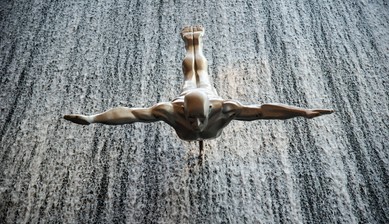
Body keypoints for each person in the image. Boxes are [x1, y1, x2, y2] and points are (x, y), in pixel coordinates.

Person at [64, 25, 333, 155]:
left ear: (210, 109)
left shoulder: (226, 108)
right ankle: (191, 43)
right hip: (189, 95)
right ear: (182, 109)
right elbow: (130, 114)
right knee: (190, 74)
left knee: (199, 74)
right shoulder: (169, 110)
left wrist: (303, 112)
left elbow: (264, 111)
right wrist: (92, 119)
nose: (195, 122)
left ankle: (195, 42)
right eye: (191, 117)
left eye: (199, 117)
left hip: (205, 92)